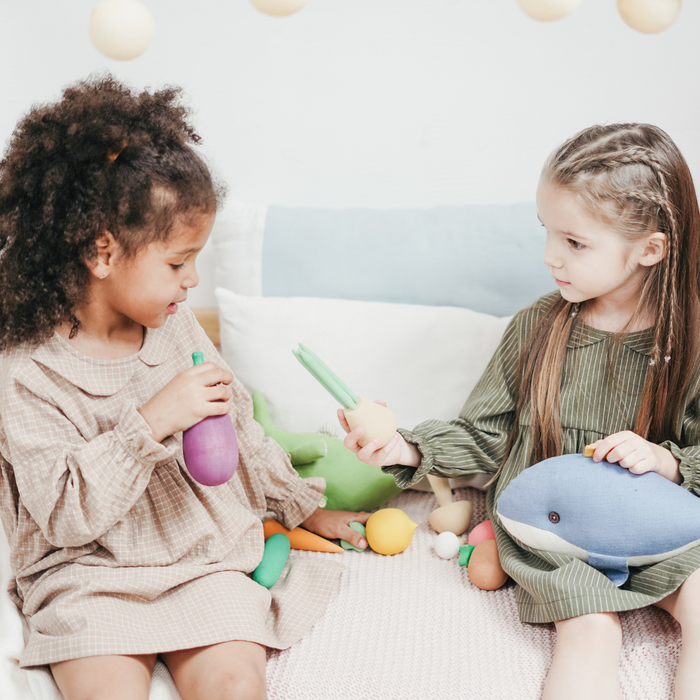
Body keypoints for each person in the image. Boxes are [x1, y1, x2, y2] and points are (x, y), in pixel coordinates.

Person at [0, 76, 370, 700]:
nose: (192, 280)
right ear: (101, 252)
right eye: (177, 263)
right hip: (89, 574)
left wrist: (303, 506)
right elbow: (64, 517)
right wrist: (149, 423)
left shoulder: (175, 329)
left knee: (235, 684)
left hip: (199, 554)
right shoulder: (29, 372)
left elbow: (241, 432)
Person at [340, 123, 700, 700]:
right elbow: (485, 435)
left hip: (656, 529)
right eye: (548, 233)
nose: (549, 256)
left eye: (575, 243)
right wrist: (404, 447)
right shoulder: (538, 326)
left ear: (650, 250)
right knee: (590, 634)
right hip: (554, 537)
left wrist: (668, 462)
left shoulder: (691, 343)